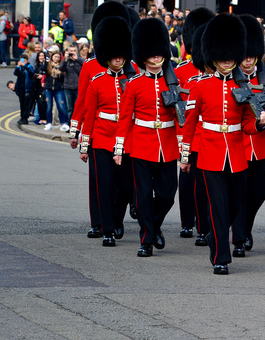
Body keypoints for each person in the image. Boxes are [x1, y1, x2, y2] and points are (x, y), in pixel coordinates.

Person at [179, 14, 265, 275]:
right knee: (218, 205)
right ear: (213, 57)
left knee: (235, 205)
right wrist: (186, 155)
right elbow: (190, 123)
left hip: (236, 153)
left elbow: (245, 124)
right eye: (222, 57)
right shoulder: (200, 86)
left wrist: (261, 123)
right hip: (210, 153)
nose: (226, 61)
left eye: (229, 56)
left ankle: (217, 235)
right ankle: (220, 255)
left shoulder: (241, 86)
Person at [116, 17, 180, 257]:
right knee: (142, 196)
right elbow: (125, 118)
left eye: (159, 54)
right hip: (141, 145)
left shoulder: (174, 81)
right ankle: (147, 239)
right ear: (144, 56)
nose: (156, 57)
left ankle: (153, 224)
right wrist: (119, 148)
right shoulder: (133, 84)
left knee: (166, 196)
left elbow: (181, 116)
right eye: (151, 54)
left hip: (167, 144)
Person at [79, 16, 133, 247]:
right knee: (104, 184)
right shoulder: (97, 81)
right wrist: (84, 145)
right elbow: (89, 114)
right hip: (101, 138)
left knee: (125, 186)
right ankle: (107, 229)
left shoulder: (133, 79)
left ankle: (117, 219)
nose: (119, 59)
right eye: (115, 55)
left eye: (122, 55)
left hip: (127, 139)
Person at [231, 14, 265, 254]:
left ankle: (245, 227)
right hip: (237, 145)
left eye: (252, 55)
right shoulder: (229, 81)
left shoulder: (263, 79)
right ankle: (239, 238)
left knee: (258, 194)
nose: (249, 59)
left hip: (260, 147)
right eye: (245, 55)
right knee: (239, 193)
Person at [175, 7, 215, 242]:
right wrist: (183, 139)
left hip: (209, 133)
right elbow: (180, 108)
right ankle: (186, 221)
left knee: (205, 184)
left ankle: (204, 223)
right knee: (187, 180)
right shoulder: (181, 71)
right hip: (190, 133)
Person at [60, 44, 84, 117]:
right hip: (68, 87)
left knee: (78, 107)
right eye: (71, 51)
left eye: (74, 51)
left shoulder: (80, 59)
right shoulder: (66, 60)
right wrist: (65, 59)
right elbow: (61, 69)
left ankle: (77, 125)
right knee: (69, 108)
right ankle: (69, 125)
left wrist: (77, 59)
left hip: (78, 87)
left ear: (77, 51)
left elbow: (86, 65)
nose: (73, 52)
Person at [13, 53, 35, 125]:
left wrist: (25, 65)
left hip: (27, 88)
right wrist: (18, 66)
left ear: (27, 60)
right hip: (20, 88)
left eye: (24, 60)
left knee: (26, 104)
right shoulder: (20, 68)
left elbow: (32, 72)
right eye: (22, 60)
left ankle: (25, 118)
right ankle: (22, 117)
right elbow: (15, 73)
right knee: (22, 104)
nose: (23, 62)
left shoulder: (29, 66)